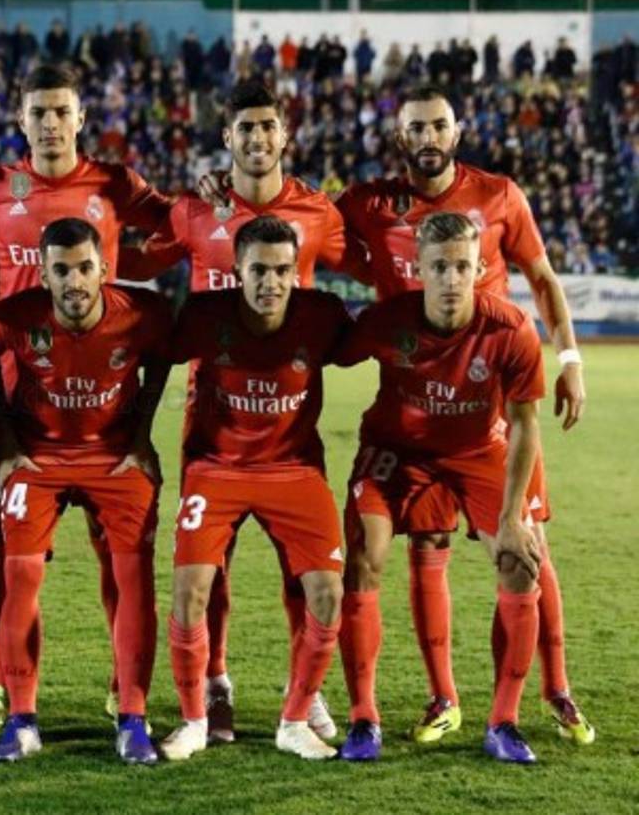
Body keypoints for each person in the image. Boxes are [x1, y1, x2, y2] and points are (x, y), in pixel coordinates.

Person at [336, 84, 593, 746]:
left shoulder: (499, 195)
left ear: (456, 130)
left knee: (527, 545)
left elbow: (542, 279)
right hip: (409, 391)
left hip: (488, 396)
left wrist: (570, 360)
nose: (428, 135)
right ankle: (441, 696)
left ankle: (554, 687)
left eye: (439, 125)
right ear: (400, 136)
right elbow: (306, 225)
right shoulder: (370, 204)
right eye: (415, 126)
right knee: (425, 545)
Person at [119, 79, 347, 745]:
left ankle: (306, 694)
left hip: (291, 429)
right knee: (205, 571)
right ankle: (213, 687)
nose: (255, 138)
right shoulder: (196, 210)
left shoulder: (317, 214)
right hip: (210, 426)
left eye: (266, 127)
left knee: (297, 569)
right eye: (243, 128)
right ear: (229, 139)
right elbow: (134, 258)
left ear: (285, 136)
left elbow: (376, 266)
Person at [0, 62, 172, 736]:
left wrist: (133, 271)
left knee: (115, 549)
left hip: (97, 382)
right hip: (14, 383)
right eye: (38, 112)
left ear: (80, 117)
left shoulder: (111, 182)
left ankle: (119, 684)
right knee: (6, 545)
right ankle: (2, 684)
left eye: (61, 111)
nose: (50, 123)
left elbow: (177, 225)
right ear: (22, 120)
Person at [336, 212, 548, 764]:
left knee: (520, 559)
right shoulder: (387, 321)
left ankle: (504, 722)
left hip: (478, 452)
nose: (451, 279)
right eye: (439, 267)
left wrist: (511, 518)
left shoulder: (509, 328)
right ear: (419, 270)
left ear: (479, 267)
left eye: (461, 266)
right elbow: (320, 350)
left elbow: (525, 424)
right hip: (397, 451)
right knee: (363, 556)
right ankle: (364, 719)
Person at [159, 215, 349, 763]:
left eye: (284, 270)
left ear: (297, 273)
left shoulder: (323, 316)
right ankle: (196, 718)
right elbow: (152, 358)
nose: (272, 282)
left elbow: (385, 348)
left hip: (293, 469)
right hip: (216, 468)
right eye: (260, 270)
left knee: (328, 593)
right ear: (235, 270)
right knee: (191, 588)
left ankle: (295, 719)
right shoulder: (203, 316)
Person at [0, 217, 171, 765]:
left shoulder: (141, 313)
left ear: (104, 269)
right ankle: (21, 721)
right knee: (20, 575)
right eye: (61, 270)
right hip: (37, 459)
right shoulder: (16, 318)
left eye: (85, 268)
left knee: (133, 575)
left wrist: (141, 435)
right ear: (43, 274)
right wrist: (9, 444)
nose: (74, 281)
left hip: (114, 458)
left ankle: (132, 717)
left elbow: (159, 359)